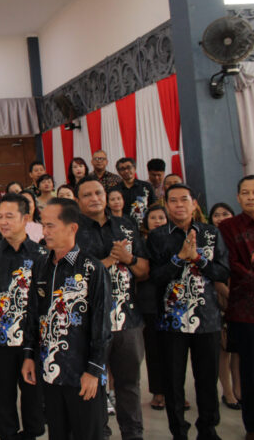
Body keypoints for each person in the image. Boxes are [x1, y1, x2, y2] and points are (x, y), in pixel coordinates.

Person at [21, 198, 112, 440]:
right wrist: (29, 355)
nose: (45, 232)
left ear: (72, 228)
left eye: (51, 226)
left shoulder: (92, 269)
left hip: (83, 374)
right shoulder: (40, 266)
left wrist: (94, 370)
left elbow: (102, 325)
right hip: (50, 371)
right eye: (43, 225)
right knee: (57, 433)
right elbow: (32, 315)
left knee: (88, 433)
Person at [147, 184, 229, 440]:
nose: (179, 205)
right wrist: (179, 258)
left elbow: (223, 272)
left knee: (207, 380)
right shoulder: (158, 236)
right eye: (173, 201)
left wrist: (198, 259)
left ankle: (208, 429)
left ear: (194, 203)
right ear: (166, 205)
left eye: (184, 200)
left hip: (208, 320)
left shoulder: (211, 234)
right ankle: (178, 431)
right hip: (172, 321)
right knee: (173, 382)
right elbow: (155, 277)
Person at [75, 178, 151, 440]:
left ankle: (133, 434)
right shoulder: (72, 232)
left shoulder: (126, 226)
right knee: (93, 386)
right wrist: (108, 261)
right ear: (78, 201)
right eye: (87, 195)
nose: (94, 198)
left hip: (128, 322)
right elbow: (74, 280)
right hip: (89, 325)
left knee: (129, 385)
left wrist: (129, 259)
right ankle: (100, 434)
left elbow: (143, 272)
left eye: (99, 192)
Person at [0, 194, 47, 440]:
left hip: (34, 343)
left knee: (34, 401)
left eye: (9, 216)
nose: (3, 222)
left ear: (25, 218)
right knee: (4, 399)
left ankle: (31, 434)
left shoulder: (42, 254)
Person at [219, 175, 254, 438]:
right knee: (250, 372)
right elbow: (230, 264)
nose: (251, 196)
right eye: (245, 192)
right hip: (245, 310)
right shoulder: (229, 227)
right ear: (238, 197)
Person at [209, 202, 241, 411]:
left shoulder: (238, 238)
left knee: (238, 349)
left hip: (241, 301)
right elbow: (213, 271)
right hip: (219, 299)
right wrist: (228, 295)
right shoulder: (209, 240)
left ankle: (239, 389)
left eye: (225, 214)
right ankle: (227, 391)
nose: (221, 218)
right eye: (217, 215)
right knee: (222, 348)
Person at [137, 205, 169, 411]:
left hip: (173, 301)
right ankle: (158, 391)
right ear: (146, 222)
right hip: (148, 301)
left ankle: (176, 391)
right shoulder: (142, 243)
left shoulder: (176, 240)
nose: (157, 220)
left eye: (161, 217)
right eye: (153, 217)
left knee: (174, 351)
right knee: (154, 349)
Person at [114, 157, 156, 229]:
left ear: (134, 168)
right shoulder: (115, 190)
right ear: (118, 172)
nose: (126, 171)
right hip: (123, 227)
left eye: (129, 167)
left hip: (144, 227)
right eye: (122, 169)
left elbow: (153, 206)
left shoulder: (146, 186)